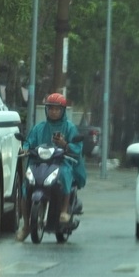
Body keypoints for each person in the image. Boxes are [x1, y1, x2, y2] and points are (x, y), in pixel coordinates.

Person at [16, 93, 86, 241]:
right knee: (25, 187)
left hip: (61, 162)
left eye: (57, 109)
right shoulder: (39, 128)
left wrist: (65, 144)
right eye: (51, 109)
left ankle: (64, 210)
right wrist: (25, 148)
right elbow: (29, 141)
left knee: (65, 174)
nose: (54, 112)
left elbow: (77, 147)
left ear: (63, 110)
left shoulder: (69, 127)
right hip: (39, 163)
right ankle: (26, 225)